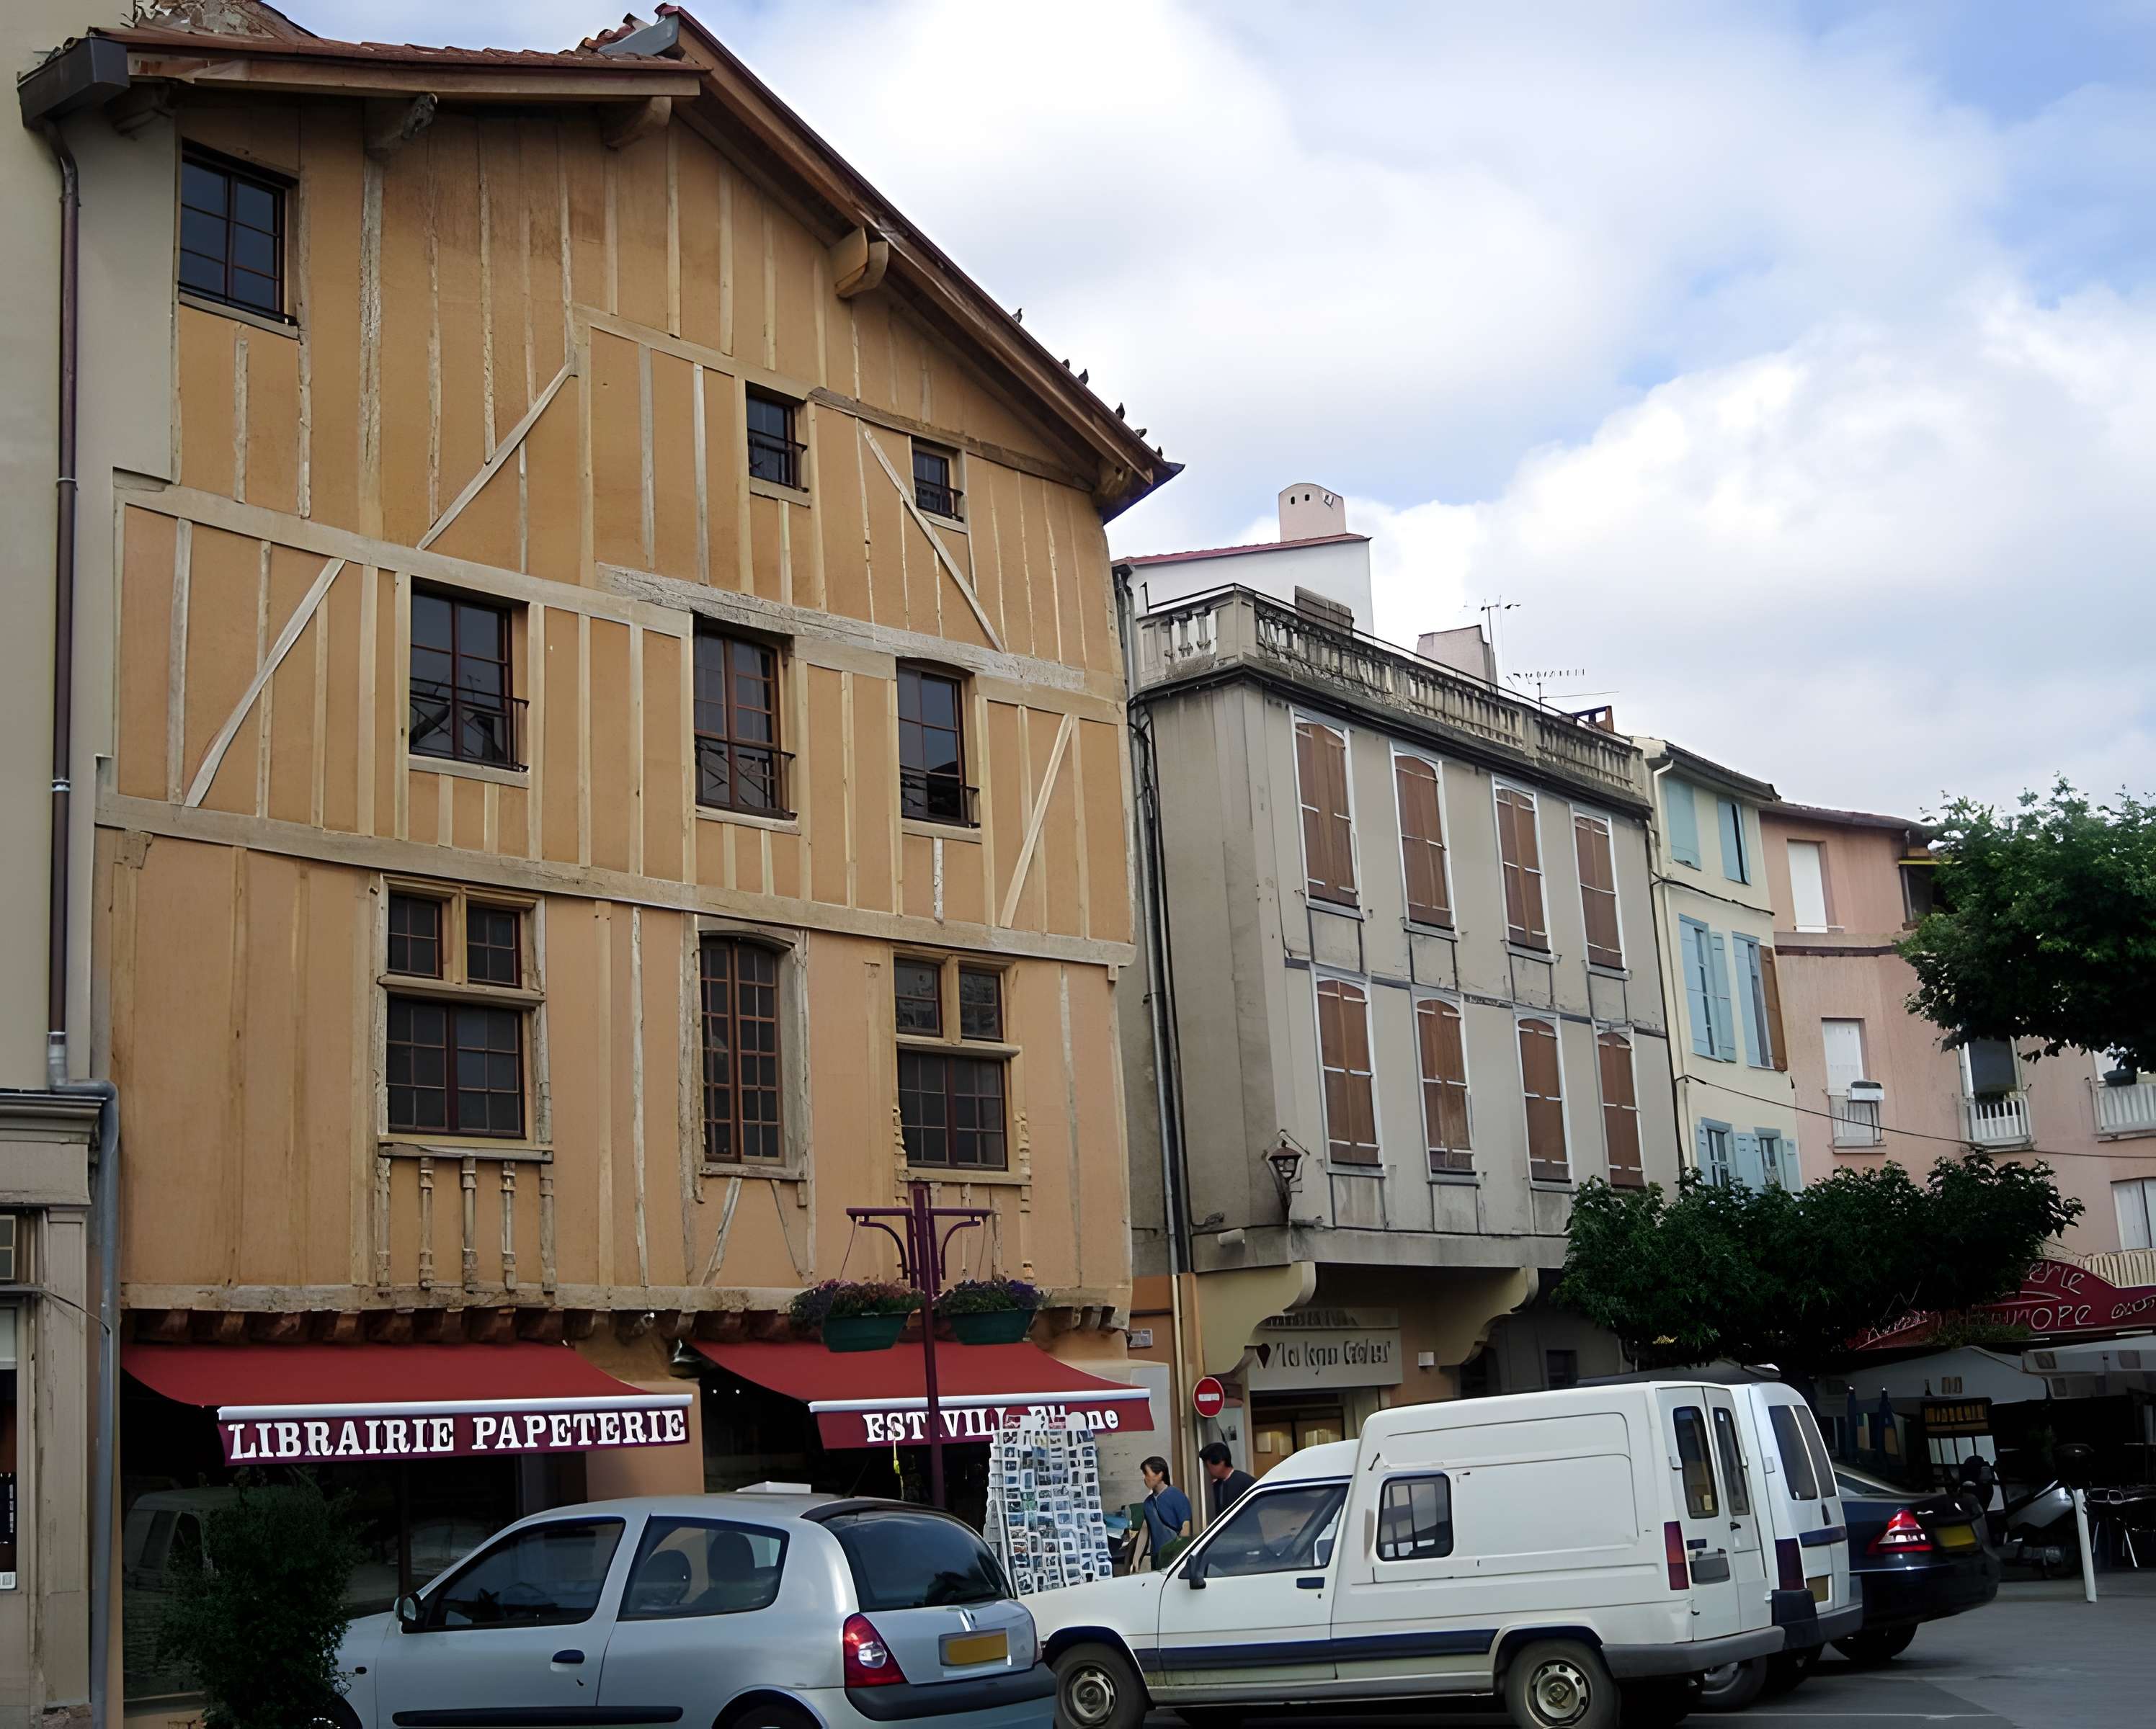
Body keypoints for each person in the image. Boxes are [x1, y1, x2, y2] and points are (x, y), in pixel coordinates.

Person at [1139, 1456, 1192, 1568]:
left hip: (1174, 1558)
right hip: (1157, 1558)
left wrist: (1178, 1554)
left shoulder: (1176, 1496)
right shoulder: (1148, 1503)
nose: (1144, 1478)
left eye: (1146, 1473)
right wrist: (1136, 1559)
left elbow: (1186, 1527)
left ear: (1160, 1475)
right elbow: (1145, 1530)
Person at [1200, 1441, 1256, 1519]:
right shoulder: (1216, 1486)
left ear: (1221, 1463)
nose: (1207, 1470)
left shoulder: (1245, 1481)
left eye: (1208, 1466)